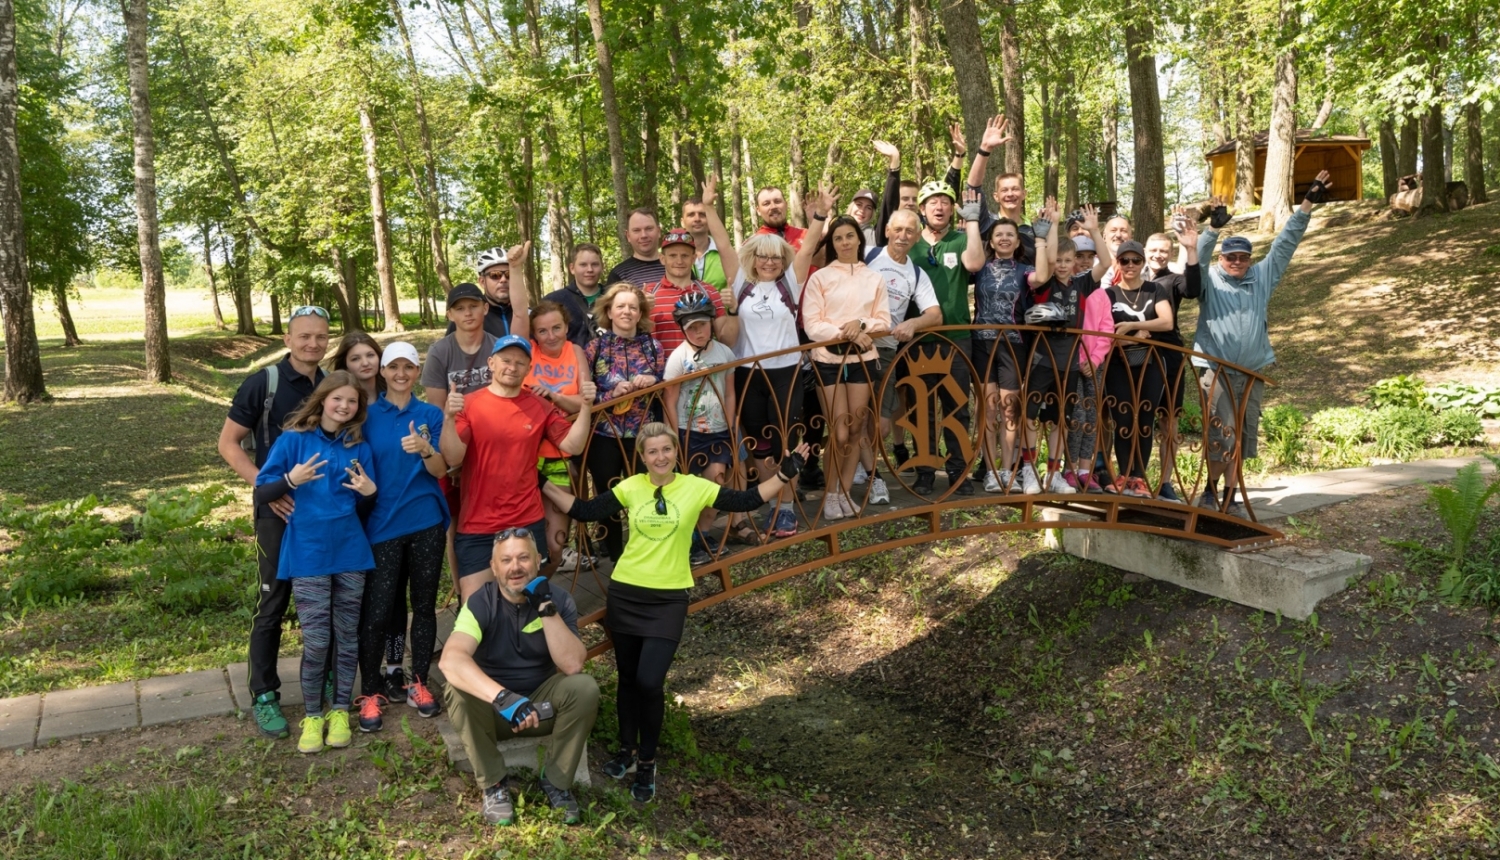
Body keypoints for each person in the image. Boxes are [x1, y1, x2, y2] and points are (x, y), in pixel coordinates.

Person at [542, 426, 810, 803]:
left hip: (668, 599)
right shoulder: (631, 487)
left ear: (675, 453)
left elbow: (747, 499)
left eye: (667, 449)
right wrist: (541, 481)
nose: (661, 457)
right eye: (653, 452)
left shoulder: (694, 487)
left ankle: (648, 762)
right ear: (643, 457)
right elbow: (584, 511)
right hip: (626, 593)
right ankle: (626, 752)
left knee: (650, 682)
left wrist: (785, 473)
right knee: (627, 679)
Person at [217, 304, 330, 739]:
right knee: (273, 601)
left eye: (320, 336)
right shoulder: (262, 384)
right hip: (276, 512)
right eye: (304, 336)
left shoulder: (332, 385)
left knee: (322, 600)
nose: (312, 343)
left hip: (323, 513)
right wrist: (271, 487)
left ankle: (320, 681)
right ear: (287, 339)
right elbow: (229, 445)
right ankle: (264, 695)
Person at [253, 370, 378, 754]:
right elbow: (262, 491)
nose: (344, 406)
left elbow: (365, 501)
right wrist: (290, 479)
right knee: (318, 639)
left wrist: (370, 492)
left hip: (350, 552)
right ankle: (312, 715)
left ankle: (340, 710)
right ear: (322, 399)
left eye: (352, 401)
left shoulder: (359, 446)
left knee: (347, 636)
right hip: (307, 552)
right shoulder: (293, 441)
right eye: (338, 398)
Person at [1194, 171, 1333, 515]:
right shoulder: (1209, 279)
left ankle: (1230, 494)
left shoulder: (1262, 277)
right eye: (1231, 257)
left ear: (1250, 258)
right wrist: (1212, 230)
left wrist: (1307, 205)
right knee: (1219, 434)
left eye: (1243, 257)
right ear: (1222, 258)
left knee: (1241, 436)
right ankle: (1210, 494)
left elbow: (1286, 242)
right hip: (1217, 372)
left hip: (1252, 372)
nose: (1237, 262)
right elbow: (1196, 259)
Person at [438, 531, 598, 826]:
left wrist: (545, 608)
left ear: (538, 561)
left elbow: (573, 664)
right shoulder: (480, 603)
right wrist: (504, 698)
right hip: (495, 712)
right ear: (494, 566)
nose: (516, 567)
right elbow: (451, 659)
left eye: (524, 557)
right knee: (457, 690)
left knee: (585, 687)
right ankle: (495, 784)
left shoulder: (559, 600)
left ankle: (556, 781)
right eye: (507, 560)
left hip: (541, 708)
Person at [442, 318, 598, 603]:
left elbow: (572, 444)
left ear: (528, 369)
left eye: (519, 363)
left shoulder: (539, 405)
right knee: (474, 609)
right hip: (479, 522)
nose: (512, 367)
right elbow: (453, 455)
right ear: (491, 362)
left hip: (526, 519)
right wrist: (449, 418)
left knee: (526, 606)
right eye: (505, 360)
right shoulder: (471, 403)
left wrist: (586, 407)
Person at [910, 114, 1012, 496]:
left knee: (956, 405)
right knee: (921, 407)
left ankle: (956, 470)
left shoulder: (957, 239)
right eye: (932, 202)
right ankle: (923, 470)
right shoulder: (909, 245)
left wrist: (970, 220)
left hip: (956, 335)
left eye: (945, 203)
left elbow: (974, 263)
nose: (939, 207)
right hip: (919, 337)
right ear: (921, 209)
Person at [354, 343, 450, 732]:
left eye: (408, 367)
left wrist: (427, 448)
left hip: (426, 522)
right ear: (383, 371)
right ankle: (372, 691)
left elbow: (442, 470)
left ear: (416, 371)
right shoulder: (366, 415)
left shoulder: (429, 414)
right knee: (377, 613)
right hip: (382, 527)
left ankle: (419, 683)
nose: (400, 373)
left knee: (424, 607)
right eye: (393, 366)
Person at [727, 229, 820, 539]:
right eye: (762, 256)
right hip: (748, 374)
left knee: (787, 441)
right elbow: (725, 246)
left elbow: (807, 250)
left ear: (784, 261)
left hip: (784, 372)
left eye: (775, 257)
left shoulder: (789, 284)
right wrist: (709, 208)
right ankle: (772, 505)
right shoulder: (742, 283)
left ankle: (788, 508)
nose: (768, 262)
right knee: (759, 443)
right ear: (752, 259)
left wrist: (819, 217)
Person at [803, 208, 891, 520]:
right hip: (828, 360)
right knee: (838, 432)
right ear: (832, 244)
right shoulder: (820, 278)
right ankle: (829, 495)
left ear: (859, 239)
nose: (844, 242)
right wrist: (848, 334)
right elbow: (813, 325)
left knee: (856, 431)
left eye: (849, 236)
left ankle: (842, 493)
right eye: (838, 238)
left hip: (863, 361)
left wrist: (861, 325)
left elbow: (883, 321)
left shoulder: (874, 278)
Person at [960, 192, 1051, 494]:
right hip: (982, 344)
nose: (1004, 238)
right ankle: (989, 470)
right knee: (988, 409)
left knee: (1010, 410)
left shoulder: (1024, 270)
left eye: (1009, 235)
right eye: (998, 234)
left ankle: (1006, 468)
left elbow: (1043, 276)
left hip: (1013, 346)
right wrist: (973, 221)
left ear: (1016, 241)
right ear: (992, 240)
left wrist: (1041, 238)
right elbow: (971, 264)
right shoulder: (982, 266)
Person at [424, 281, 503, 605]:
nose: (468, 312)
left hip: (494, 448)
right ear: (451, 314)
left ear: (485, 308)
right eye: (460, 308)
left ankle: (501, 592)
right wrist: (454, 457)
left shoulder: (498, 347)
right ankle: (463, 596)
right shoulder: (441, 352)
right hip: (456, 448)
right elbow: (436, 411)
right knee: (456, 526)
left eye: (474, 305)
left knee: (497, 521)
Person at [1101, 235, 1197, 497]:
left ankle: (1139, 478)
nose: (1130, 264)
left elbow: (1166, 322)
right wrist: (1132, 336)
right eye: (1124, 260)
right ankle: (1124, 475)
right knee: (1122, 417)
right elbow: (1103, 330)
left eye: (1135, 260)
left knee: (1144, 417)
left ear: (1142, 262)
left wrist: (1134, 325)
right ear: (1118, 263)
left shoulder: (1156, 290)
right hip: (1118, 364)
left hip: (1151, 363)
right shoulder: (1108, 294)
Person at [584, 281, 666, 563]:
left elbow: (666, 384)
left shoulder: (653, 346)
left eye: (633, 307)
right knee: (608, 495)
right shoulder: (594, 348)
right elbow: (585, 392)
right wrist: (609, 394)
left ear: (640, 312)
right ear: (609, 310)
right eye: (620, 306)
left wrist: (654, 380)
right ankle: (616, 558)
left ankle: (647, 553)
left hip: (644, 435)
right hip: (605, 435)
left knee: (647, 493)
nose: (627, 312)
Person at [865, 208, 942, 487]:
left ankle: (870, 472)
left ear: (918, 236)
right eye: (897, 229)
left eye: (910, 231)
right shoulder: (868, 256)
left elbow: (935, 314)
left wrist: (913, 323)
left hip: (885, 352)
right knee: (848, 418)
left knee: (881, 423)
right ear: (886, 230)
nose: (902, 236)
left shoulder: (916, 273)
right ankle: (856, 476)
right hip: (849, 349)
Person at [662, 295, 739, 564]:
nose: (698, 331)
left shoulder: (724, 353)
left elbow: (730, 393)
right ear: (682, 329)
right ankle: (689, 539)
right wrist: (674, 439)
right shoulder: (677, 358)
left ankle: (703, 534)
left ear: (711, 325)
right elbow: (669, 401)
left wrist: (730, 425)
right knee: (688, 491)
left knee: (715, 486)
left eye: (702, 325)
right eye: (691, 327)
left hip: (718, 430)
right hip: (688, 431)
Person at [1142, 207, 1207, 501]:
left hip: (1169, 356)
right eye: (1154, 249)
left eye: (1164, 250)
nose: (1158, 254)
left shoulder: (1173, 279)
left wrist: (1191, 248)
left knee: (1169, 419)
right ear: (1145, 251)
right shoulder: (1129, 276)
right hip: (1135, 356)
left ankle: (1165, 481)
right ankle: (1135, 477)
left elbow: (1193, 288)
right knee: (1138, 418)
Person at [524, 300, 592, 570]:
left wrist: (554, 396)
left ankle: (542, 597)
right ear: (534, 334)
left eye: (556, 328)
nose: (550, 336)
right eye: (542, 331)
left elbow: (585, 399)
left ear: (566, 327)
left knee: (555, 544)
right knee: (524, 540)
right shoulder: (527, 351)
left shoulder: (575, 351)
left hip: (559, 455)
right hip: (526, 454)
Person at [644, 181, 736, 354]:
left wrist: (733, 309)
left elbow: (727, 340)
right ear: (662, 259)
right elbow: (633, 341)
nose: (679, 260)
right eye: (672, 255)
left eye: (685, 255)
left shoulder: (709, 292)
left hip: (704, 376)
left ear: (694, 258)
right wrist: (640, 312)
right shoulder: (649, 294)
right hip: (664, 377)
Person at [871, 131, 964, 248]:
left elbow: (948, 192)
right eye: (905, 199)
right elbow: (888, 205)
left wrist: (959, 154)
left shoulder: (925, 223)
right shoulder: (889, 226)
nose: (910, 203)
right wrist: (894, 163)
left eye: (914, 199)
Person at [449, 247, 530, 340]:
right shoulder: (468, 317)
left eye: (509, 274)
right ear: (482, 282)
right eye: (495, 275)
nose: (503, 280)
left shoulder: (528, 314)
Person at [542, 243, 606, 348]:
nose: (589, 269)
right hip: (568, 362)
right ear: (572, 268)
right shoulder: (553, 301)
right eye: (583, 265)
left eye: (595, 264)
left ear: (602, 267)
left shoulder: (614, 298)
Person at [607, 209, 666, 287]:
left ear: (658, 232)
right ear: (628, 236)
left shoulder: (677, 266)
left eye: (649, 229)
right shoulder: (618, 275)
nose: (643, 235)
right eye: (636, 230)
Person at [681, 195, 728, 292]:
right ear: (682, 222)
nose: (697, 219)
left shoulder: (725, 253)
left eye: (702, 214)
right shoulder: (668, 254)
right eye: (691, 215)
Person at [332, 332, 383, 402]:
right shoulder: (339, 401)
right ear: (345, 365)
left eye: (370, 355)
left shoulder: (394, 391)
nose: (365, 363)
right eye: (355, 359)